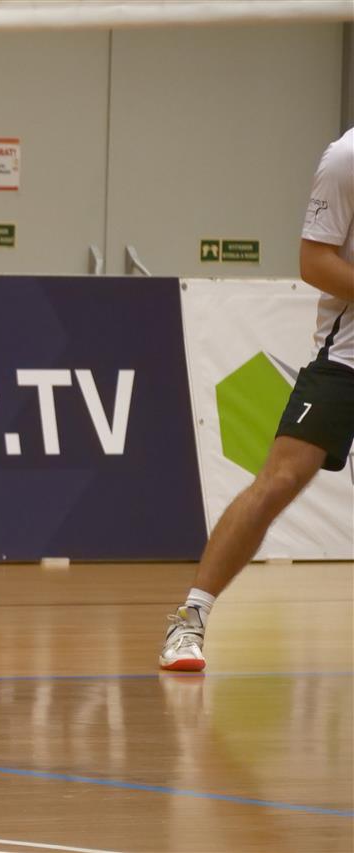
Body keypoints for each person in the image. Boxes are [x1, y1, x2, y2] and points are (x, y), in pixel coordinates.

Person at [160, 127, 354, 671]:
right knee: (280, 481)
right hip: (345, 361)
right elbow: (315, 263)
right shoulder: (346, 159)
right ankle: (189, 620)